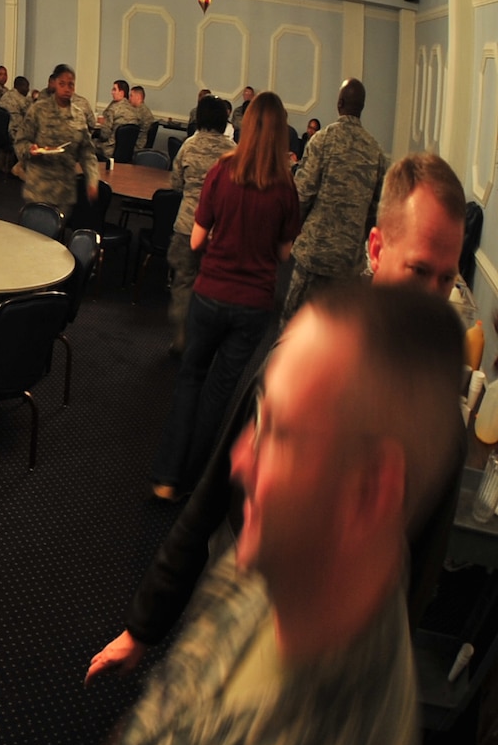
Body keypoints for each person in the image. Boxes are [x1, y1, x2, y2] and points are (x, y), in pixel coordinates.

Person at [86, 281, 459, 745]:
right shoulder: (279, 554)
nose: (240, 458)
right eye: (257, 418)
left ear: (368, 492)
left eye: (279, 433)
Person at [90, 152, 471, 689]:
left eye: (447, 279)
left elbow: (420, 576)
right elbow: (213, 491)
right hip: (239, 624)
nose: (433, 297)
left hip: (337, 668)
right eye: (420, 272)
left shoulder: (440, 423)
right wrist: (144, 627)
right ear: (378, 248)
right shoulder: (304, 359)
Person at [149, 92, 299, 501]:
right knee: (219, 396)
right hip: (253, 307)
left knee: (189, 382)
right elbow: (285, 253)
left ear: (246, 126)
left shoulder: (222, 171)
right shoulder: (286, 187)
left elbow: (197, 238)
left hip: (211, 294)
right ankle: (192, 483)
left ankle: (165, 477)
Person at [283, 78, 387, 318]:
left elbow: (302, 194)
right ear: (361, 107)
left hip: (315, 253)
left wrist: (292, 232)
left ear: (339, 103)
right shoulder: (376, 151)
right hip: (349, 263)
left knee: (293, 326)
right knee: (334, 331)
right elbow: (374, 211)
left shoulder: (322, 140)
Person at [164, 96, 233, 353]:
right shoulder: (233, 150)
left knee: (183, 282)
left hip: (186, 226)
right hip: (219, 232)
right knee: (213, 286)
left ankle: (181, 337)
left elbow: (176, 184)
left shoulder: (188, 146)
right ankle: (206, 340)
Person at [15, 64, 99, 215]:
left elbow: (87, 153)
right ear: (54, 84)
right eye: (62, 84)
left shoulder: (79, 116)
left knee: (56, 236)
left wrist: (92, 180)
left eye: (71, 85)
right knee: (34, 234)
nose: (67, 89)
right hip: (39, 187)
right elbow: (21, 141)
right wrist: (30, 149)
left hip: (64, 191)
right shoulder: (39, 110)